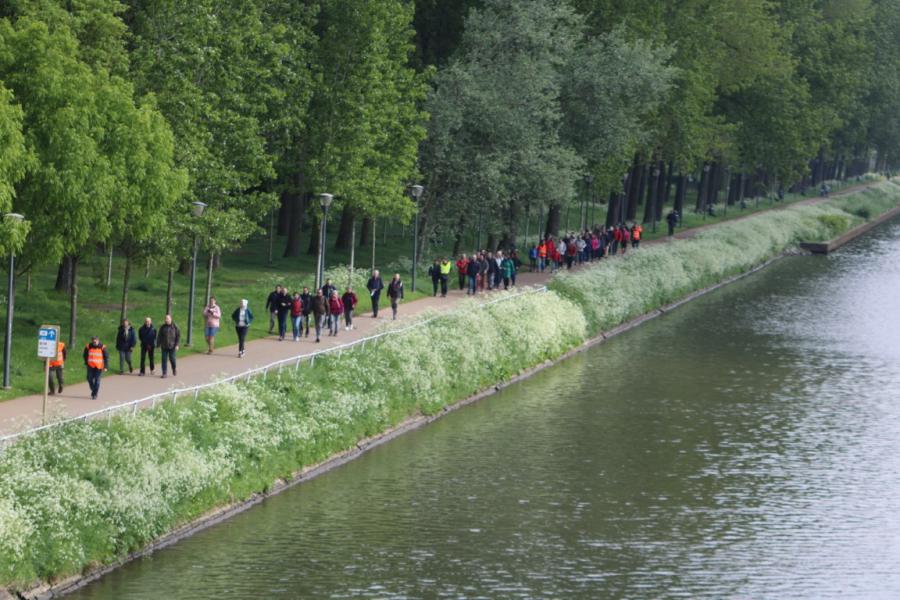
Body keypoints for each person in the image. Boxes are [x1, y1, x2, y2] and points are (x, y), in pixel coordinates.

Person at [83, 336, 108, 400]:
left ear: (98, 340)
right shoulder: (88, 346)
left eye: (95, 341)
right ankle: (94, 390)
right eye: (93, 341)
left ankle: (95, 394)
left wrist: (105, 367)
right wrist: (86, 362)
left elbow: (106, 357)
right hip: (90, 366)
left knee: (97, 381)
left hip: (99, 367)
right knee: (89, 378)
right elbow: (85, 355)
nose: (94, 342)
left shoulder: (102, 347)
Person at [157, 314, 180, 379]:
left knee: (172, 359)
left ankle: (174, 368)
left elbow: (178, 336)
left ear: (171, 319)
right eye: (165, 319)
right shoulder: (162, 327)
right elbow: (159, 336)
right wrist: (158, 345)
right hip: (164, 346)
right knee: (164, 360)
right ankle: (164, 373)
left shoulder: (175, 327)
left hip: (172, 346)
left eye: (167, 318)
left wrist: (177, 345)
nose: (166, 320)